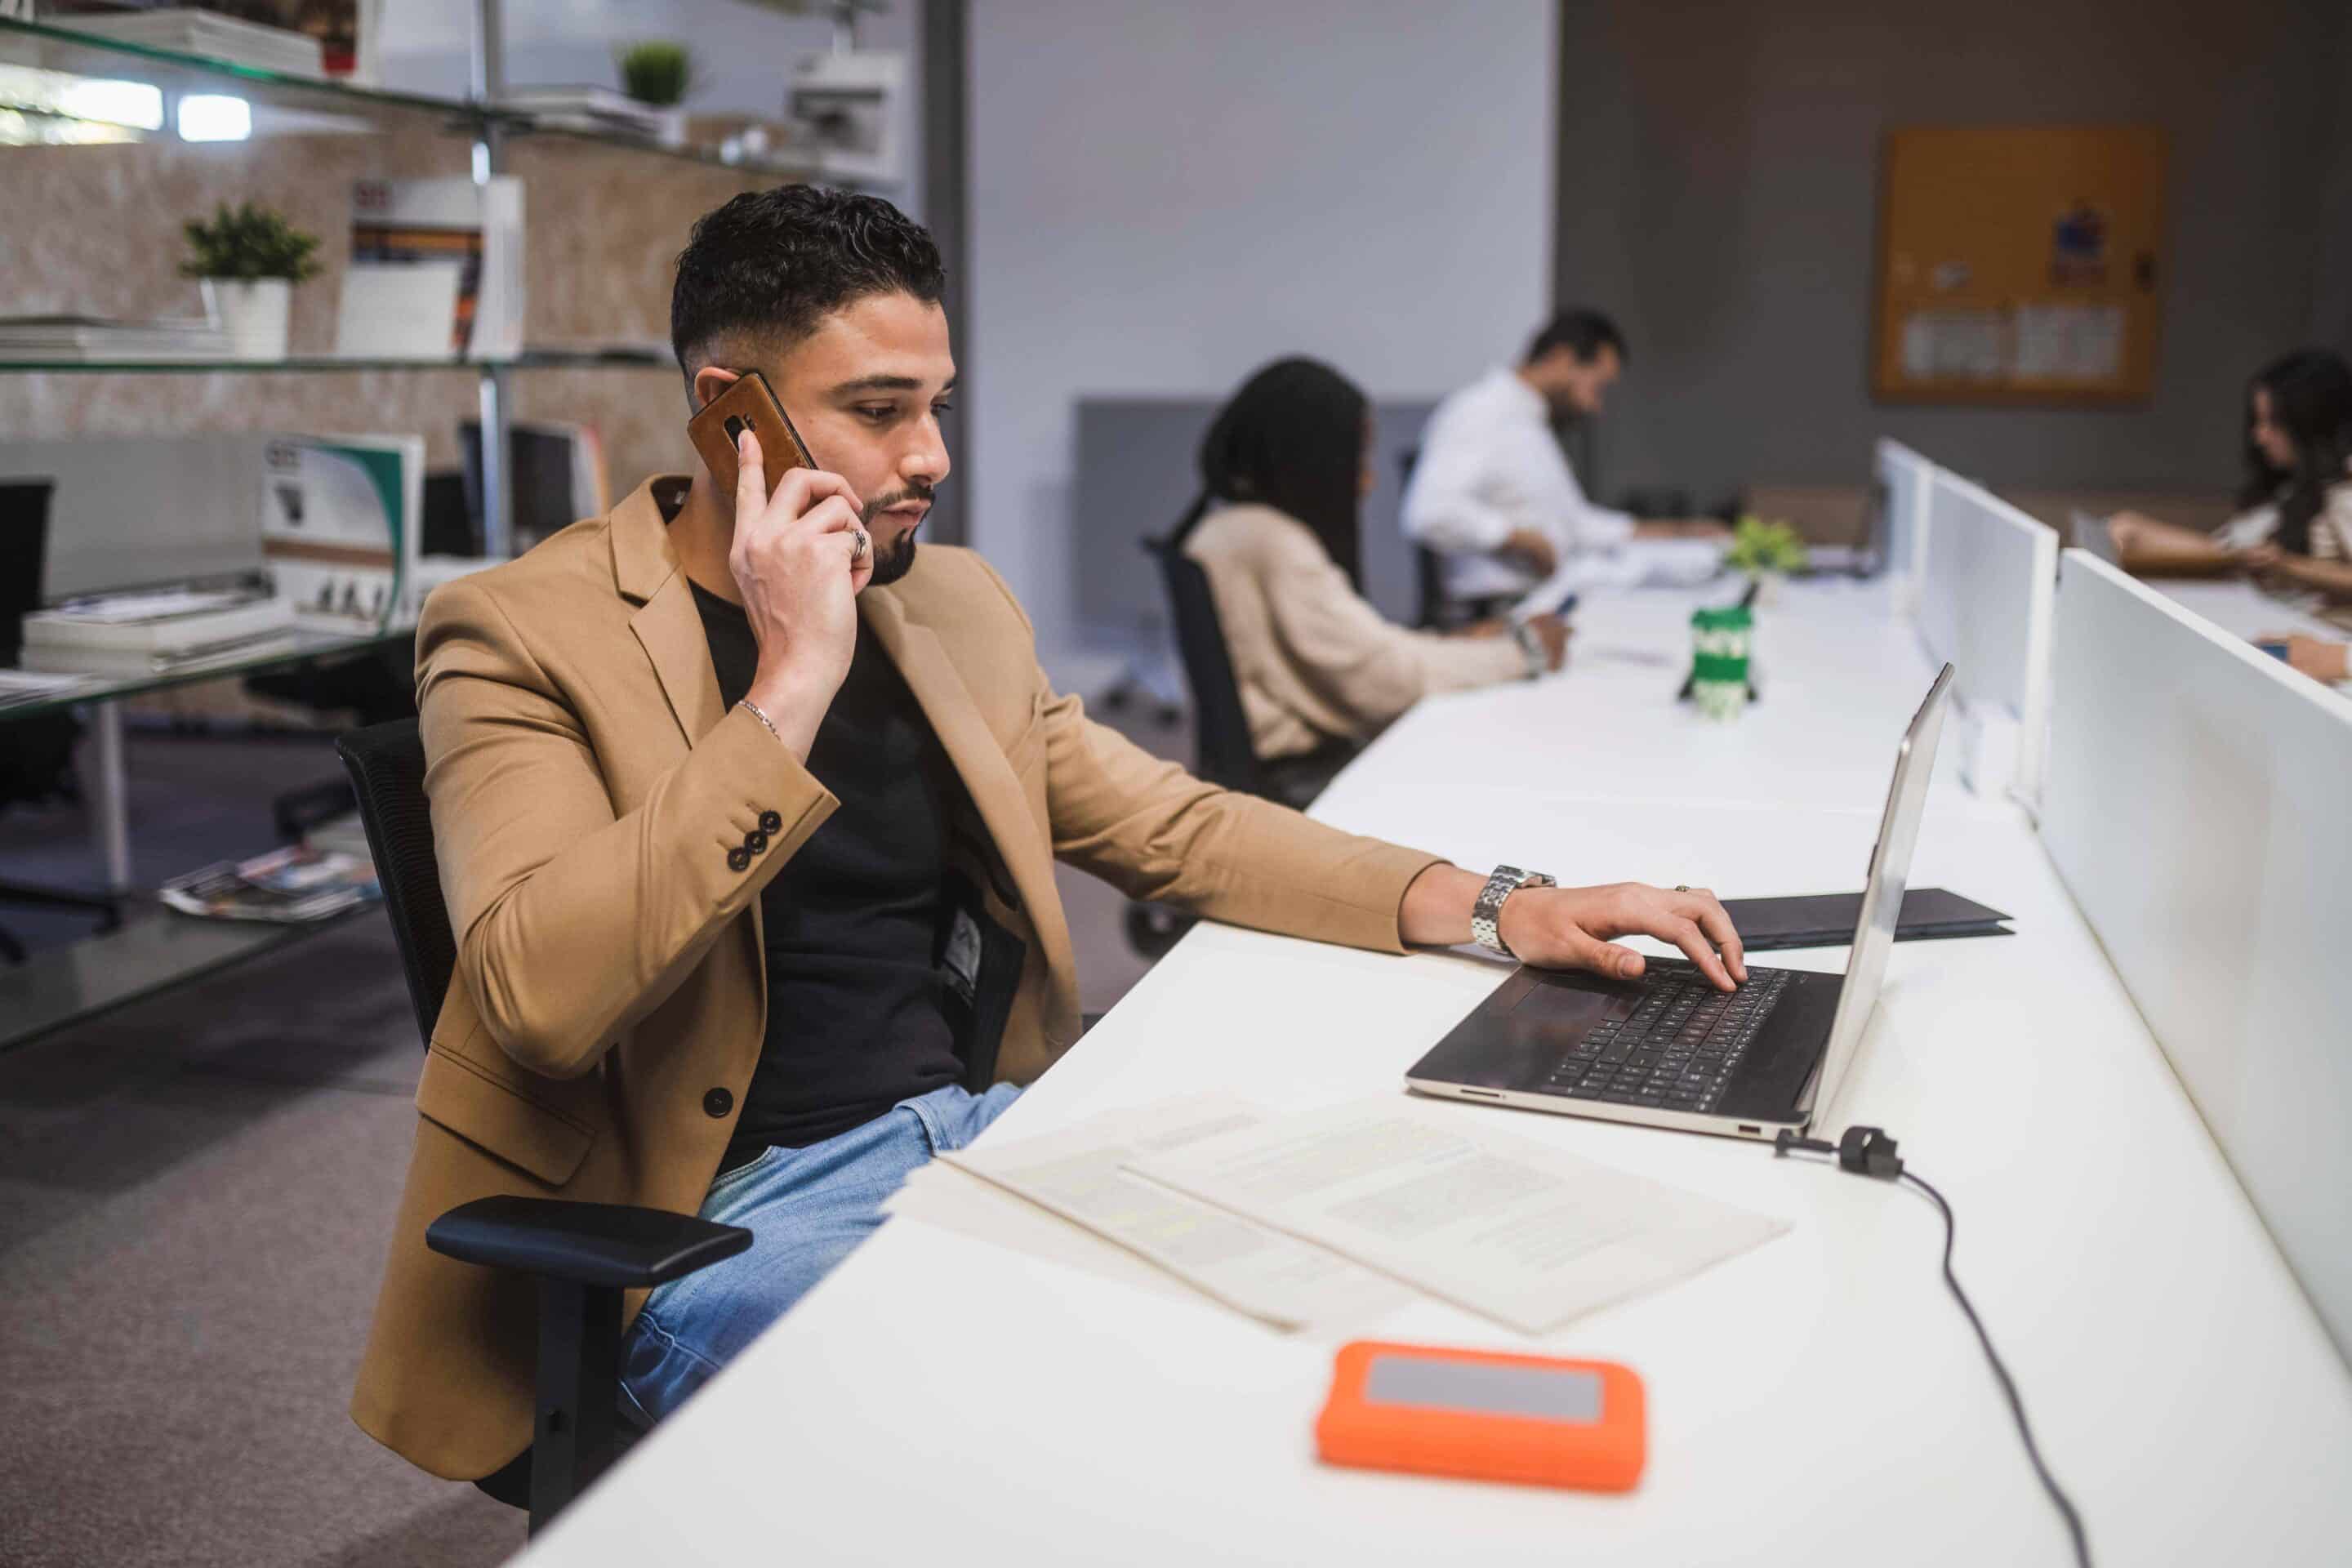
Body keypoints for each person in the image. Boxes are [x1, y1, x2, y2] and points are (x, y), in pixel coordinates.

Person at [348, 188, 1747, 1481]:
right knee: (1075, 1439)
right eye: (880, 409)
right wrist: (787, 684)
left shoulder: (944, 602)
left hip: (983, 1136)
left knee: (1314, 1321)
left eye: (939, 405)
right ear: (731, 415)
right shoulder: (521, 634)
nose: (931, 458)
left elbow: (1178, 826)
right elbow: (533, 995)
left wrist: (1503, 904)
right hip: (718, 1219)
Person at [1174, 357, 1569, 764]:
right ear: (1311, 459)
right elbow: (1381, 680)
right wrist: (1524, 653)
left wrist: (1453, 645)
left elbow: (1361, 649)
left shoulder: (1226, 527)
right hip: (1307, 771)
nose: (1368, 480)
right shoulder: (1272, 542)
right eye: (1357, 458)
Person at [1403, 309, 1724, 615]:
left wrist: (1681, 530)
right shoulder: (1480, 412)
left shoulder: (1529, 422)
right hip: (1504, 610)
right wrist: (1518, 539)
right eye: (1596, 387)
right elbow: (1430, 511)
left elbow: (1575, 525)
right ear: (1562, 358)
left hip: (1548, 597)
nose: (1594, 406)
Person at [2109, 349, 2352, 608]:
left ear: (2309, 423)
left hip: (2281, 622)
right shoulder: (2289, 489)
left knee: (2127, 533)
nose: (2260, 437)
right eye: (2258, 422)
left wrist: (2286, 565)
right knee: (2125, 527)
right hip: (2235, 590)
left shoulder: (2341, 494)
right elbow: (2230, 551)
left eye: (2273, 423)